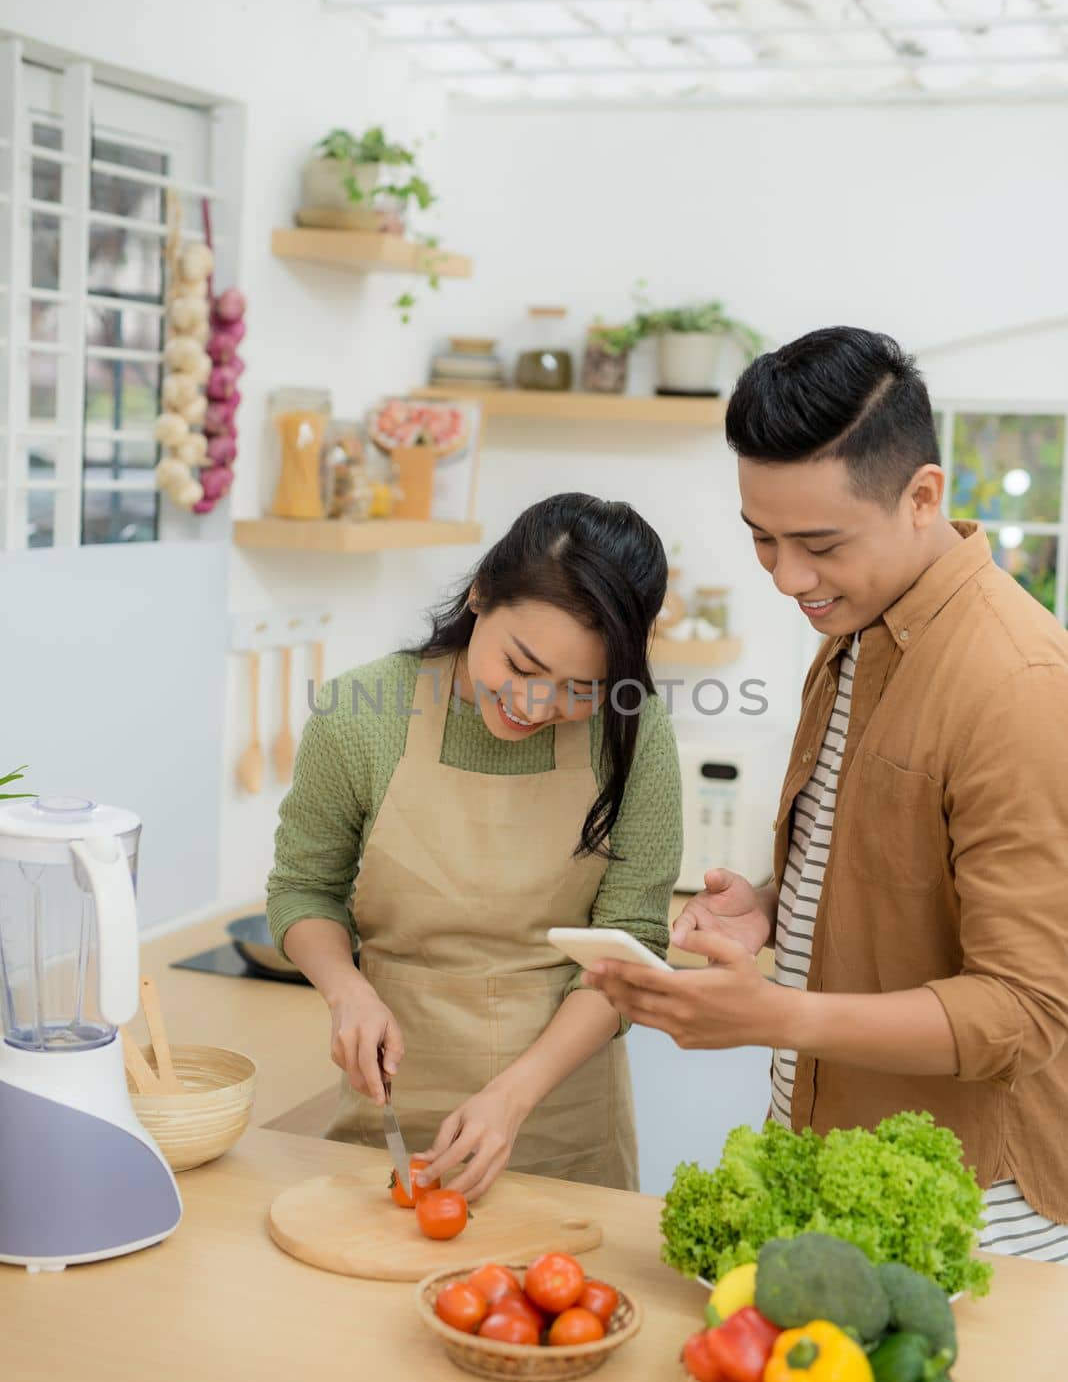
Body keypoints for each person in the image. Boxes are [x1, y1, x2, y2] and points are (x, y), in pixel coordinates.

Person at [584, 327, 1068, 1260]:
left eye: (818, 543)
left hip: (977, 1214)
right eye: (762, 539)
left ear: (922, 496)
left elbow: (1024, 1011)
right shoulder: (856, 629)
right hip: (838, 1164)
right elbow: (912, 863)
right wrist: (777, 908)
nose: (788, 578)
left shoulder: (1018, 684)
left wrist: (777, 1014)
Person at [267, 492, 682, 1200]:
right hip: (390, 1115)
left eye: (580, 689)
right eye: (521, 666)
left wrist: (512, 1099)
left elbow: (628, 948)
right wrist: (347, 992)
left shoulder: (635, 736)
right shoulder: (361, 718)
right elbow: (303, 890)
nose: (534, 706)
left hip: (563, 1124)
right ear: (481, 594)